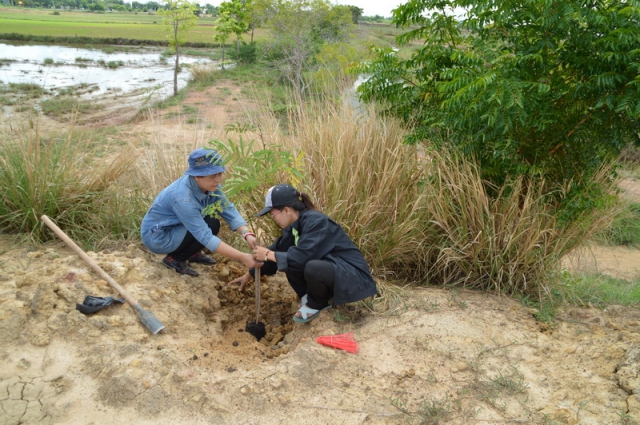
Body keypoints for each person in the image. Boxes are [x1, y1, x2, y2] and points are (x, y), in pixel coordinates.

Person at [229, 184, 377, 323]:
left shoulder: (316, 222)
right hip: (333, 271)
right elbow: (277, 252)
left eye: (273, 214)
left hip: (351, 276)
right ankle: (308, 297)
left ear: (287, 210)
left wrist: (268, 254)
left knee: (310, 266)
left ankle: (317, 303)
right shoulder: (295, 227)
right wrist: (250, 274)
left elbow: (302, 257)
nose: (273, 219)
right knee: (286, 259)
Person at [141, 147, 260, 277]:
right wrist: (242, 257)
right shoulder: (183, 198)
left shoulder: (211, 185)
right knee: (206, 226)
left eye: (220, 174)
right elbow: (204, 236)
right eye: (212, 176)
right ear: (197, 176)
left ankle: (192, 252)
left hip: (177, 226)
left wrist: (246, 233)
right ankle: (175, 259)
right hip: (159, 237)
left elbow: (227, 208)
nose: (218, 180)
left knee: (212, 222)